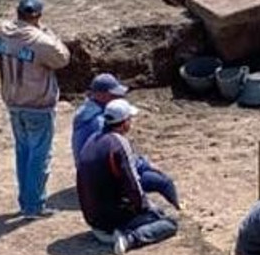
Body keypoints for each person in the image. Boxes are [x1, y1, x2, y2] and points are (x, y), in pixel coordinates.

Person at [0, 0, 70, 218]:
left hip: (13, 103)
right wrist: (46, 32)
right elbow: (63, 58)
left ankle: (26, 202)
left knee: (23, 152)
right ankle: (33, 206)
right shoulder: (39, 40)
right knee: (39, 155)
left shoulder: (3, 33)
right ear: (37, 16)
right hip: (37, 105)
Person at [76, 100, 178, 255]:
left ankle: (124, 230)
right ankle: (130, 238)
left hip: (93, 220)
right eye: (130, 119)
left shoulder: (92, 139)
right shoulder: (119, 143)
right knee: (169, 223)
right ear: (123, 123)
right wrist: (146, 208)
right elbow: (132, 184)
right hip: (110, 221)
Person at [71, 73, 180, 209]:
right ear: (101, 95)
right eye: (114, 95)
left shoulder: (86, 112)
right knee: (163, 182)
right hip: (104, 177)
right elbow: (121, 158)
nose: (119, 98)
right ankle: (178, 209)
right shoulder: (100, 124)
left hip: (89, 172)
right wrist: (146, 165)